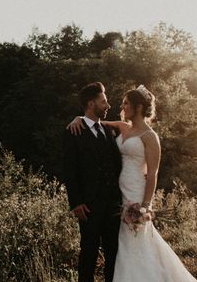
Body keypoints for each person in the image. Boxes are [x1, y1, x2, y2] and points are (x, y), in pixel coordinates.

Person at [67, 84, 197, 281]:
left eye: (126, 103)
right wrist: (78, 118)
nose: (121, 106)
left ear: (138, 107)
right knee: (118, 246)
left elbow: (152, 174)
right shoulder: (123, 127)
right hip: (118, 195)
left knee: (134, 242)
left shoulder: (150, 137)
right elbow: (96, 123)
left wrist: (146, 206)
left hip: (135, 193)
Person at [62, 82, 122, 282]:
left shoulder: (108, 130)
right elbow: (69, 170)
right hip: (88, 204)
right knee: (88, 251)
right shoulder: (73, 132)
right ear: (91, 104)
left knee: (113, 252)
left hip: (113, 203)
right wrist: (76, 202)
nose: (108, 105)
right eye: (103, 101)